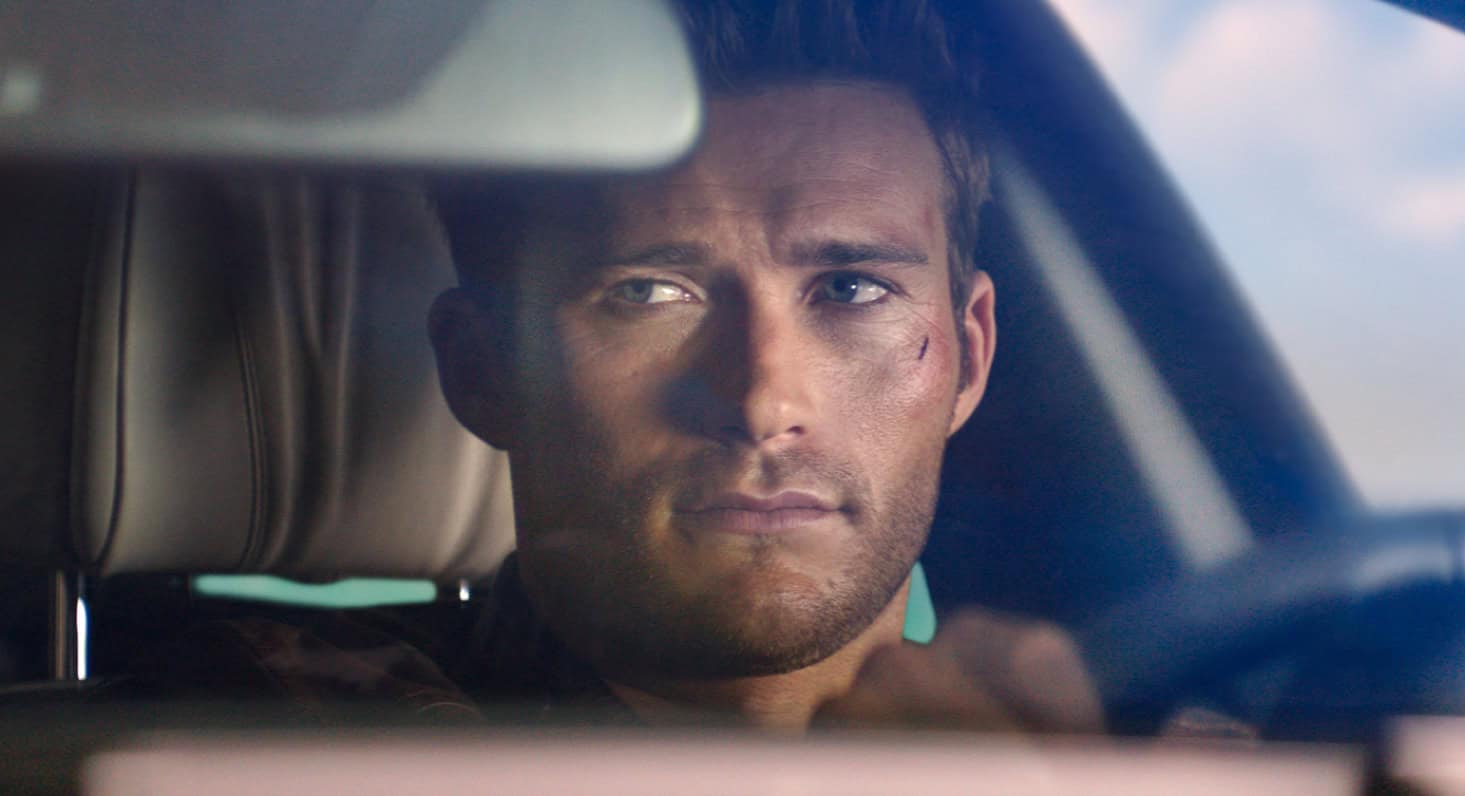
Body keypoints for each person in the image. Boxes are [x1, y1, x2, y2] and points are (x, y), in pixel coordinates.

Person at [417, 0, 1103, 732]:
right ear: (482, 372)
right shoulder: (330, 730)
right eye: (645, 293)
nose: (764, 405)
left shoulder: (1141, 752)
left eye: (852, 289)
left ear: (969, 360)